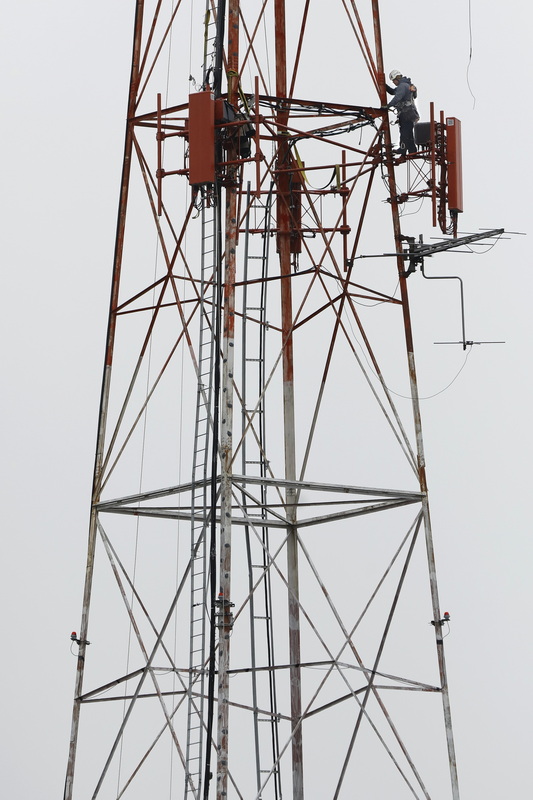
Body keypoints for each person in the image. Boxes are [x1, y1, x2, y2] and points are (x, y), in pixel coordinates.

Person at [384, 69, 419, 155]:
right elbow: (393, 92)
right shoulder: (406, 85)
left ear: (397, 78)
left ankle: (403, 149)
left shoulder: (402, 86)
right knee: (408, 132)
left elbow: (397, 98)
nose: (393, 83)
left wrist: (387, 106)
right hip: (410, 113)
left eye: (393, 81)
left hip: (406, 113)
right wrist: (384, 86)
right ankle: (412, 150)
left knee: (404, 132)